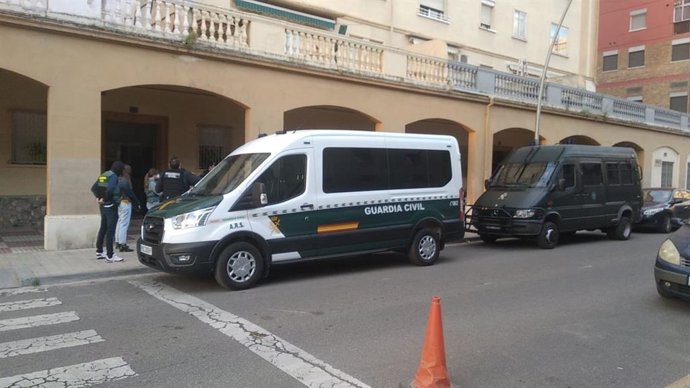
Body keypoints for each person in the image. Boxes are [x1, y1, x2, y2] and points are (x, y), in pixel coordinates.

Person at [90, 160, 125, 263]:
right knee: (110, 231)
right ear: (119, 169)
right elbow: (110, 190)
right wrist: (105, 198)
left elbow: (94, 188)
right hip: (110, 206)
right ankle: (110, 255)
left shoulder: (105, 174)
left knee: (103, 228)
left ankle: (99, 251)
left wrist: (99, 197)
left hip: (103, 207)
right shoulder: (113, 176)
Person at [114, 165, 141, 252]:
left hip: (119, 202)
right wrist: (137, 202)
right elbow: (130, 192)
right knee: (124, 224)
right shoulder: (125, 180)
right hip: (126, 202)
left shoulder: (117, 179)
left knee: (119, 222)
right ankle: (123, 244)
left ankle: (117, 242)